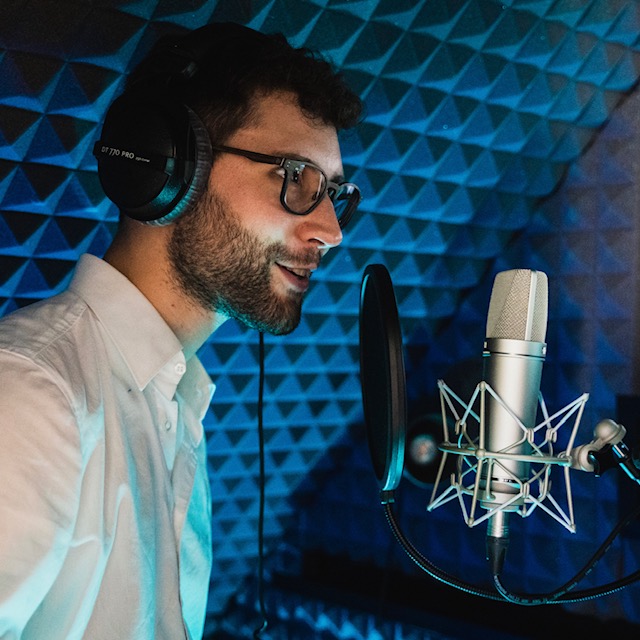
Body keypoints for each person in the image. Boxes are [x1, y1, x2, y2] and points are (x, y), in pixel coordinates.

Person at [0, 22, 362, 639]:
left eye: (332, 192)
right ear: (169, 164)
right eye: (295, 176)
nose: (330, 231)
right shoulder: (36, 394)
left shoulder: (174, 408)